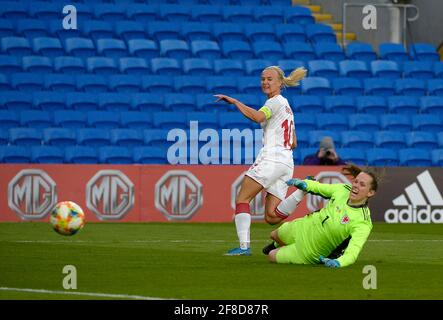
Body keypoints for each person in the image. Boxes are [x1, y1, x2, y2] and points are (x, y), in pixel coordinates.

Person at [214, 66, 307, 256]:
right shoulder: (286, 106)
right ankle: (301, 192)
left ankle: (243, 247)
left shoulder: (274, 102)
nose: (265, 82)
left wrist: (235, 102)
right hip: (287, 161)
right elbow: (294, 142)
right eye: (263, 79)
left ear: (280, 82)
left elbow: (257, 117)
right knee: (272, 217)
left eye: (270, 79)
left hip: (272, 158)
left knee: (242, 198)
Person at [263, 164, 378, 268]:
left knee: (271, 256)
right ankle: (277, 243)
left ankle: (287, 249)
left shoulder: (363, 222)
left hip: (310, 250)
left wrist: (339, 262)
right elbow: (318, 187)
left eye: (362, 185)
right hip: (303, 227)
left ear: (370, 193)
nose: (356, 186)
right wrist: (304, 184)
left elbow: (352, 253)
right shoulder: (343, 190)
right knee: (273, 235)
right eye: (356, 181)